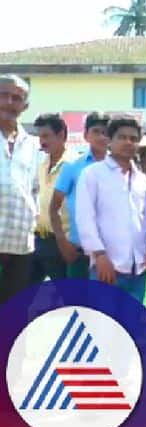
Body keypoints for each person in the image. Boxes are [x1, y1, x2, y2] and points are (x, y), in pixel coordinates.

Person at [76, 114, 146, 302]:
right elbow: (85, 219)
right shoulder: (93, 174)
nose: (128, 142)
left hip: (138, 269)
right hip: (106, 267)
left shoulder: (141, 179)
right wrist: (100, 255)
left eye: (134, 138)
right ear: (110, 140)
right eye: (122, 137)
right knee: (103, 326)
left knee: (129, 327)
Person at [51, 112, 110, 279]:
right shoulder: (73, 166)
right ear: (86, 135)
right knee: (78, 303)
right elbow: (53, 208)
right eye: (96, 132)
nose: (101, 137)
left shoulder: (120, 168)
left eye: (106, 133)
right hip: (80, 253)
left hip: (112, 253)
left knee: (107, 303)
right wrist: (63, 243)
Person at [0, 75, 38, 304]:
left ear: (25, 106)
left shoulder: (31, 145)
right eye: (3, 95)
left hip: (19, 243)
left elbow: (34, 189)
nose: (9, 102)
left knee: (12, 312)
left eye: (17, 98)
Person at [30, 113, 73, 284]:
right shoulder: (41, 164)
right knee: (21, 295)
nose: (42, 141)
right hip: (36, 241)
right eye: (39, 136)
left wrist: (66, 243)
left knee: (68, 299)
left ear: (61, 134)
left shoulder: (74, 165)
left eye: (46, 136)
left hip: (61, 243)